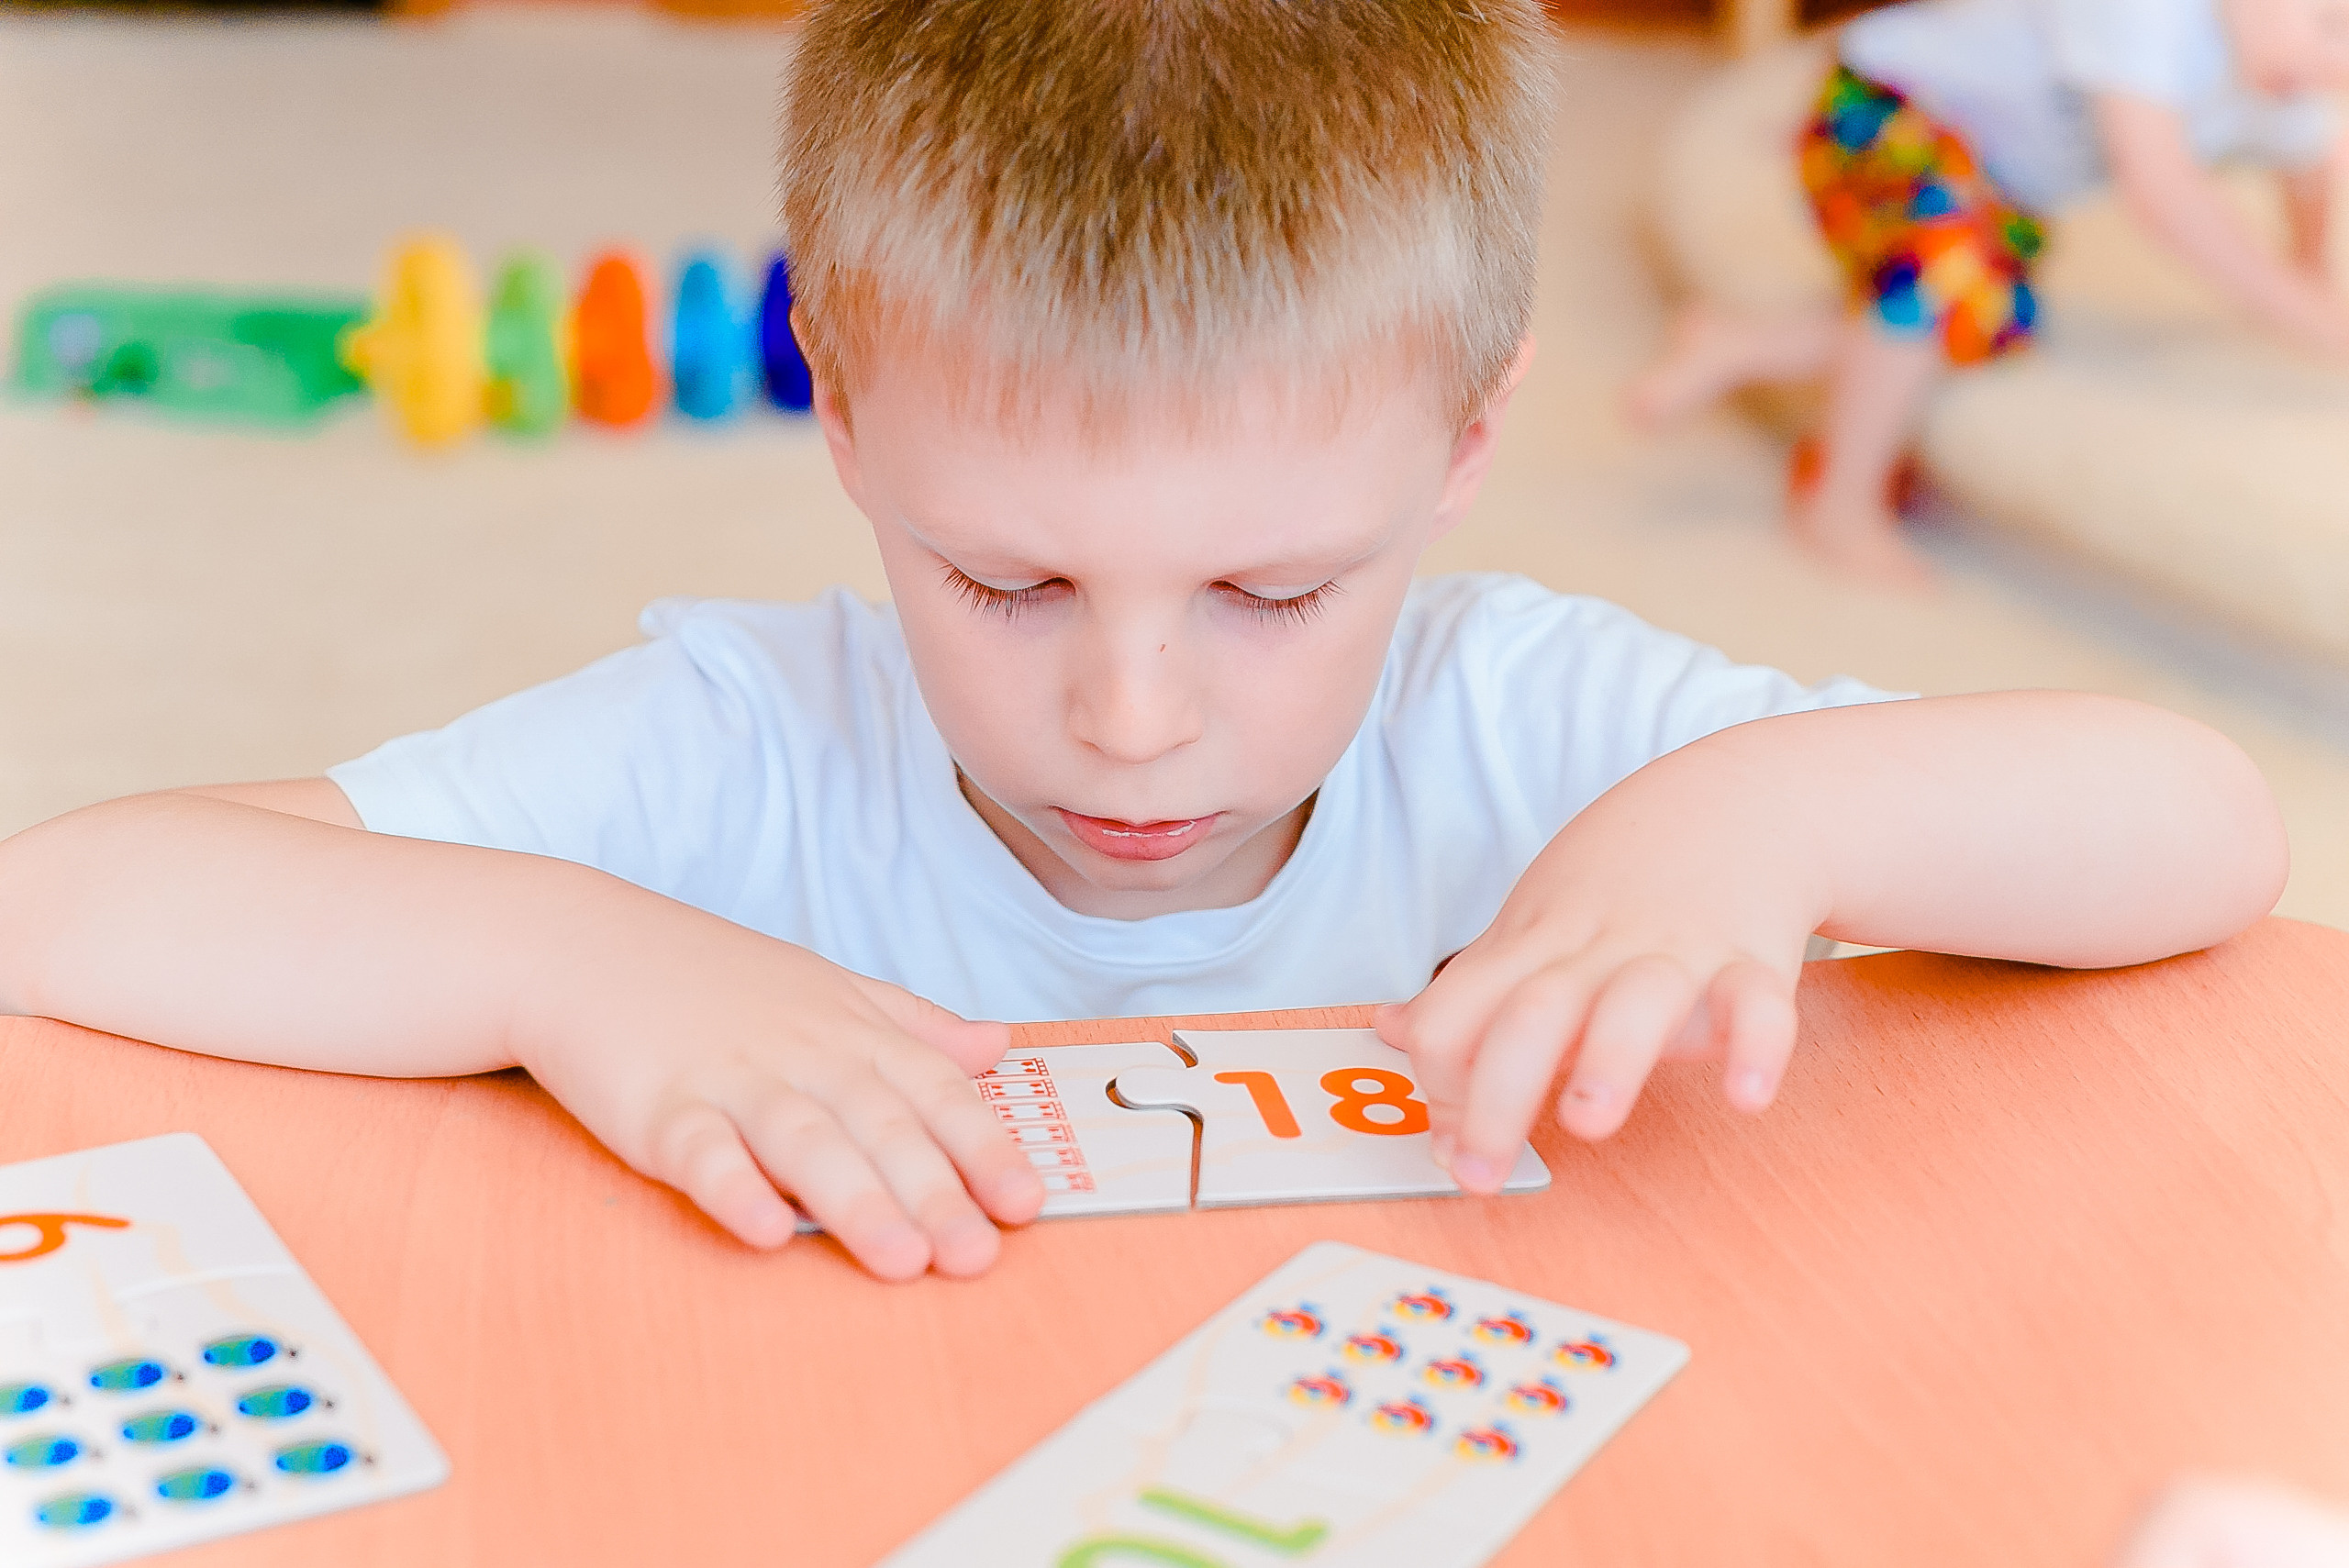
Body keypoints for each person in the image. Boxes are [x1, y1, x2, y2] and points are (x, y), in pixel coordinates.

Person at [0, 0, 2289, 1282]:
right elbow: (64, 899)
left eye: (1273, 592)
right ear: (844, 398)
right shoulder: (747, 745)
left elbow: (2197, 830)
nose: (1126, 714)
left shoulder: (1542, 727)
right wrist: (572, 969)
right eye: (1001, 580)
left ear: (1469, 436)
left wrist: (1753, 822)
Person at [1628, 0, 2349, 589]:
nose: (2332, 64)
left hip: (1983, 179)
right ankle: (1838, 500)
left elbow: (2311, 171)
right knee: (1936, 285)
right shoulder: (2149, 16)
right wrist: (2302, 312)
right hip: (1889, 107)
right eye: (2328, 24)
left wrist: (2312, 269)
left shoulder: (2283, 81)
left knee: (1993, 322)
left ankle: (1741, 342)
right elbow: (2163, 194)